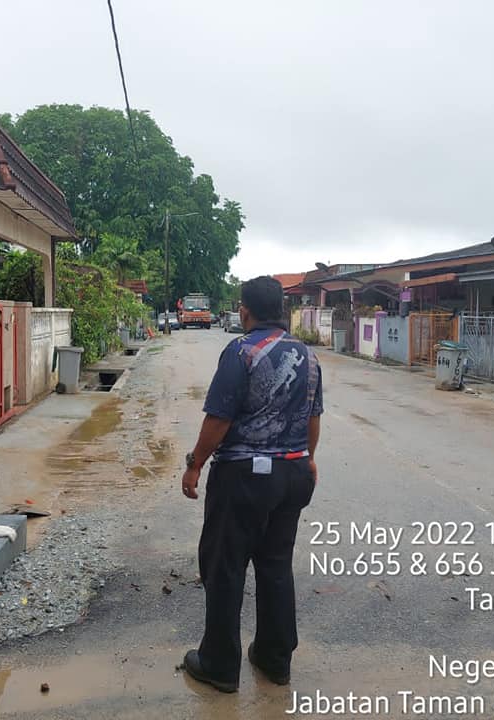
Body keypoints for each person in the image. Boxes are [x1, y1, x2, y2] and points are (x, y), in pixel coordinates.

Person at [180, 276, 323, 693]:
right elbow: (313, 419)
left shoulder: (241, 351)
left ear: (245, 310)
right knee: (276, 566)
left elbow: (218, 419)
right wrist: (308, 459)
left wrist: (195, 464)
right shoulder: (308, 357)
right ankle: (275, 660)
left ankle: (219, 665)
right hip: (294, 475)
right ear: (282, 310)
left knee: (224, 567)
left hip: (244, 477)